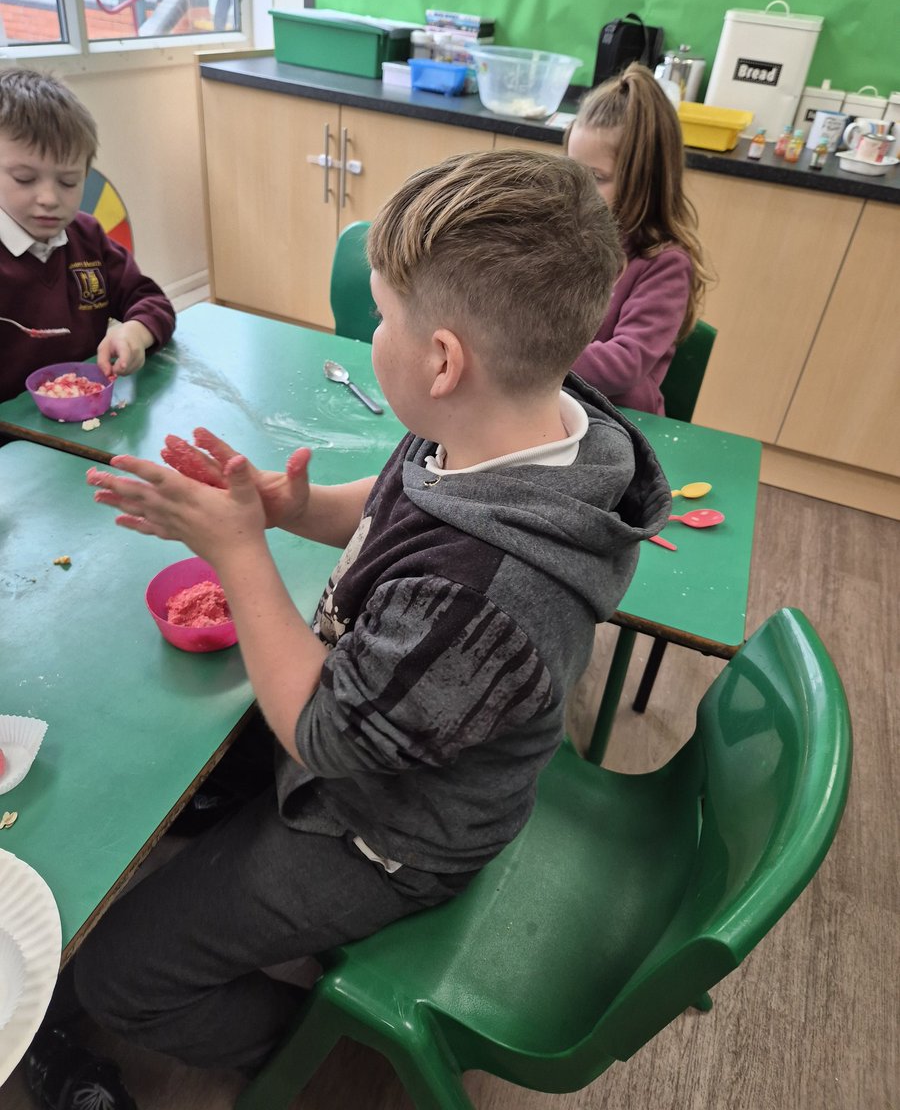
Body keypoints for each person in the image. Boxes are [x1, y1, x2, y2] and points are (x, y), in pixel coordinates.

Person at [25, 149, 670, 1108]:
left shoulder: (484, 597)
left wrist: (241, 554)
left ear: (443, 361)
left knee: (121, 974)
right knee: (185, 783)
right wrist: (289, 510)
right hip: (386, 726)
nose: (370, 333)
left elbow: (323, 736)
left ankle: (319, 1054)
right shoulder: (525, 422)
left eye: (380, 318)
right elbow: (403, 488)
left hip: (389, 834)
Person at [0, 68, 176, 406]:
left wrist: (135, 332)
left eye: (68, 182)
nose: (50, 198)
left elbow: (153, 302)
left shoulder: (88, 237)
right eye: (24, 178)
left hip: (89, 417)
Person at [565, 61, 711, 414]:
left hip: (618, 425)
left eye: (597, 177)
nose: (578, 189)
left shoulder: (664, 264)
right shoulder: (566, 236)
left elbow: (624, 363)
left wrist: (526, 354)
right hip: (553, 407)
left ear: (644, 180)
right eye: (572, 170)